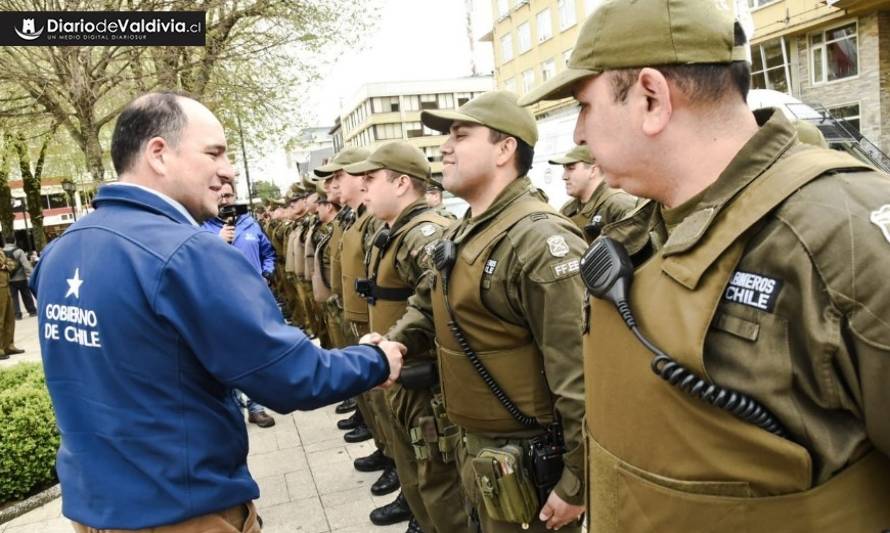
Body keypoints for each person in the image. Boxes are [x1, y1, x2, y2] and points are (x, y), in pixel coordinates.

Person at [519, 1, 890, 531]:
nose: (578, 134)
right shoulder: (643, 228)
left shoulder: (845, 233)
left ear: (651, 97)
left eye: (584, 105)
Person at [30, 92, 405, 532]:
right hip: (180, 513)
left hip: (95, 509)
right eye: (214, 152)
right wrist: (376, 360)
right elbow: (289, 376)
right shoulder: (187, 253)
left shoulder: (59, 252)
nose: (228, 169)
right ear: (159, 154)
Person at [386, 91, 588, 533]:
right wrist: (394, 342)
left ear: (504, 148)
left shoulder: (539, 241)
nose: (445, 147)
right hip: (479, 455)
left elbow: (580, 373)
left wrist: (577, 480)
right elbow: (428, 299)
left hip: (526, 466)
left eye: (461, 135)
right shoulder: (468, 231)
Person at [345, 142, 467, 533]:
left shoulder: (423, 234)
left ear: (400, 183)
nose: (364, 188)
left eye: (371, 178)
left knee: (441, 488)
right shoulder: (396, 232)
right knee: (416, 478)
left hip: (425, 389)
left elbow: (445, 311)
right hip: (403, 378)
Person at [202, 181, 278, 428]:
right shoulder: (202, 228)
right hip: (220, 303)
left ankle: (257, 408)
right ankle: (234, 407)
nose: (224, 199)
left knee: (256, 354)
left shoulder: (250, 223)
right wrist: (217, 241)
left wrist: (266, 275)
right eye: (219, 194)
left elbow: (268, 253)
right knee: (228, 357)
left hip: (253, 301)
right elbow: (195, 263)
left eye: (228, 194)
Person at [548, 145, 636, 242]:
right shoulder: (568, 209)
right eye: (564, 169)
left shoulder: (619, 205)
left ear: (593, 171)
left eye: (571, 168)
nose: (564, 177)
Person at [0, 234, 24, 360]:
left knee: (10, 318)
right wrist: (4, 265)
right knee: (0, 319)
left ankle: (9, 345)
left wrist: (5, 265)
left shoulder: (1, 250)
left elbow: (11, 265)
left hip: (6, 285)